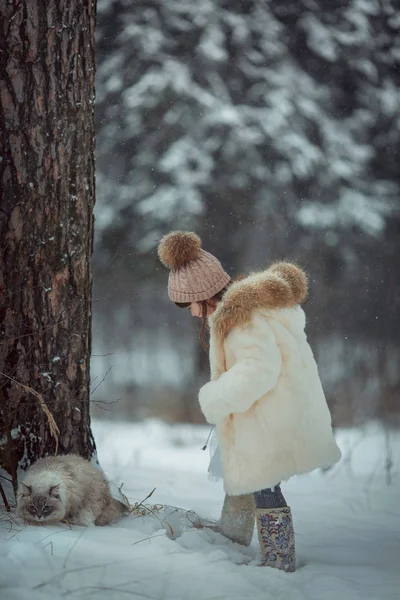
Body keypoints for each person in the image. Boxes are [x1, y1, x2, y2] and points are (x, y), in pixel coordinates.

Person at [157, 231, 341, 572]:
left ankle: (278, 557)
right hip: (272, 408)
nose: (193, 314)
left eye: (189, 305)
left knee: (263, 482)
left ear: (203, 294)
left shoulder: (240, 320)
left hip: (270, 412)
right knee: (244, 470)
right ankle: (232, 535)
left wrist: (215, 397)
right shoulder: (243, 311)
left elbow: (259, 370)